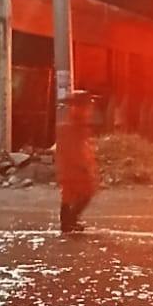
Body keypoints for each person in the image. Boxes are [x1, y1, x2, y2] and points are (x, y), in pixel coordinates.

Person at [55, 91, 99, 234]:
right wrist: (83, 164)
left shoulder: (75, 123)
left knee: (72, 194)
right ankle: (69, 222)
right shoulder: (74, 123)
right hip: (73, 166)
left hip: (71, 165)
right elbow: (75, 147)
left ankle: (69, 221)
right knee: (83, 192)